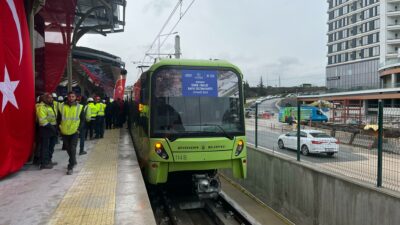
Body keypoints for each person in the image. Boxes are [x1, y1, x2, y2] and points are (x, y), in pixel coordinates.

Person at [57, 91, 84, 175]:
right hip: (64, 131)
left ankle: (70, 166)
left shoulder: (80, 107)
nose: (71, 98)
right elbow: (58, 118)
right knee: (68, 149)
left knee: (72, 148)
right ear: (67, 97)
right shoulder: (61, 106)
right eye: (70, 96)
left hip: (74, 131)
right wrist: (59, 128)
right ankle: (74, 160)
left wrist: (78, 129)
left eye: (73, 96)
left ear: (75, 97)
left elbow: (82, 120)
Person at [37, 93, 58, 169]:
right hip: (45, 129)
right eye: (49, 98)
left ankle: (49, 160)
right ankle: (44, 163)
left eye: (51, 98)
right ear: (45, 99)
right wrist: (52, 127)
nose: (51, 99)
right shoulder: (41, 107)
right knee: (45, 147)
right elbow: (42, 120)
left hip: (52, 128)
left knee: (51, 146)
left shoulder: (51, 106)